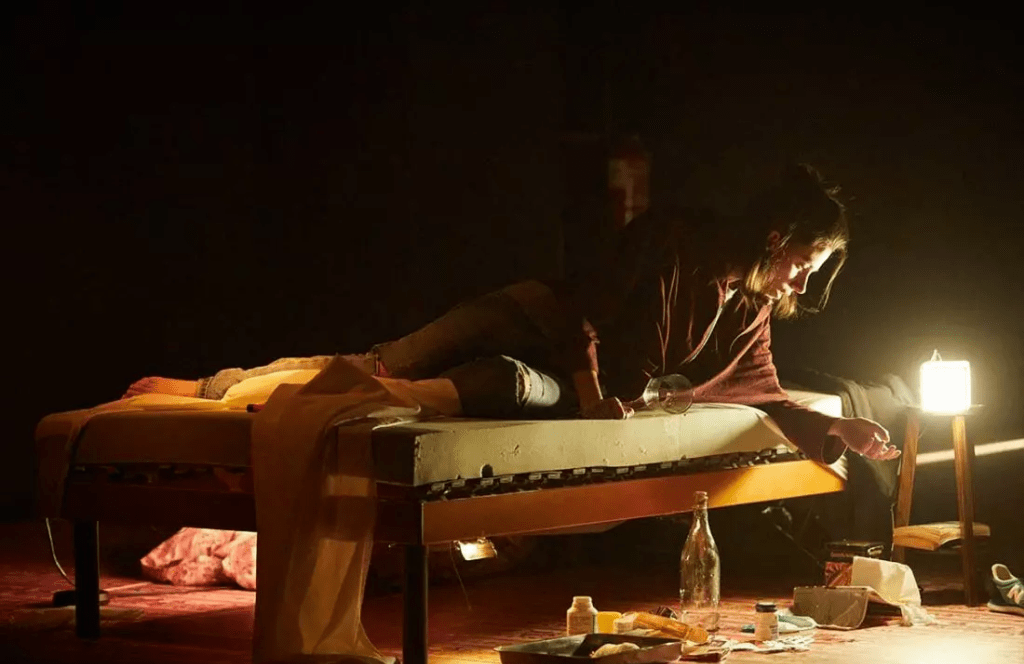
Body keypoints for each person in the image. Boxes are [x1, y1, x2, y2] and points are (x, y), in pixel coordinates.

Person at [124, 163, 900, 465]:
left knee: (450, 385)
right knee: (386, 361)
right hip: (534, 318)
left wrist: (836, 429)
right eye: (810, 257)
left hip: (548, 366)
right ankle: (208, 386)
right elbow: (586, 316)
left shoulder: (749, 305)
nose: (806, 276)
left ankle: (243, 391)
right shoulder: (675, 241)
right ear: (779, 235)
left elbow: (760, 392)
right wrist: (593, 396)